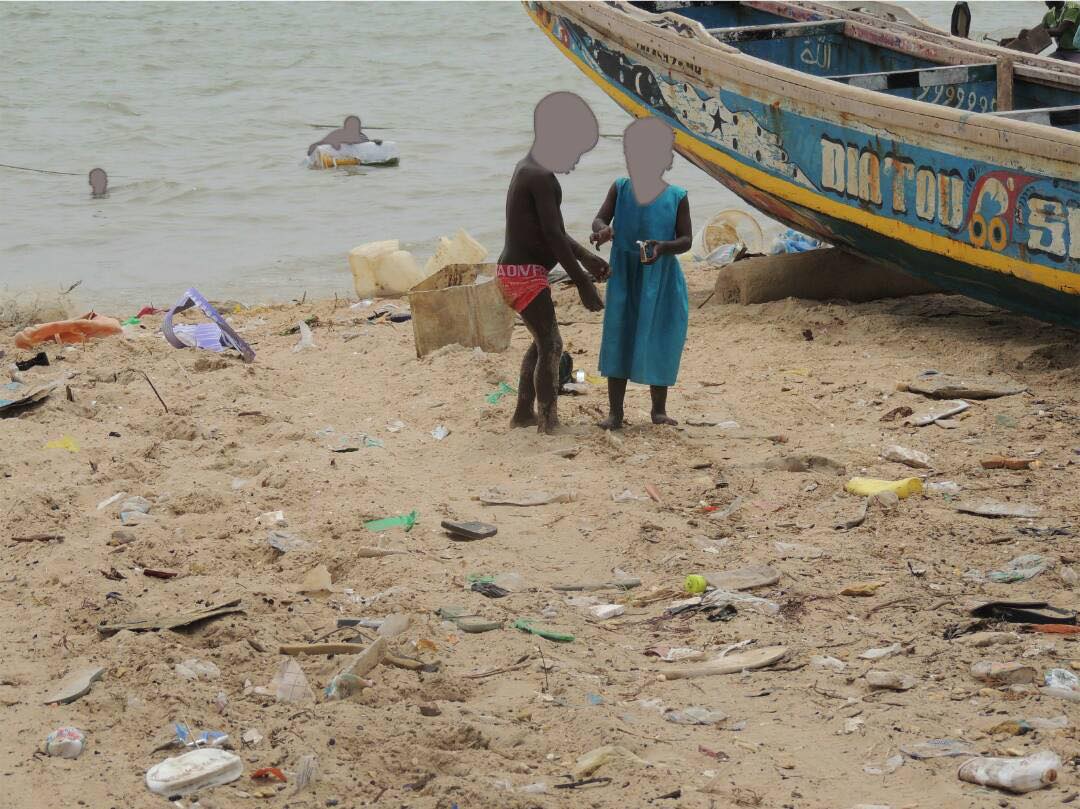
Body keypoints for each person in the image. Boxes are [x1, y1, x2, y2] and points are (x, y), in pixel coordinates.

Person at [498, 91, 609, 435]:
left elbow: (553, 233)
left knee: (540, 341)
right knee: (552, 345)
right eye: (575, 150)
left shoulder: (528, 169)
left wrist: (588, 258)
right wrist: (583, 283)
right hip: (524, 276)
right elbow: (554, 238)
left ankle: (522, 414)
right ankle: (548, 421)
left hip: (515, 273)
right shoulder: (540, 177)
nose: (575, 160)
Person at [590, 117, 691, 430]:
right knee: (618, 337)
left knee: (660, 338)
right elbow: (599, 219)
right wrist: (603, 231)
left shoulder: (677, 196)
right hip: (625, 277)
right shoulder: (620, 188)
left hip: (659, 279)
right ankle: (615, 413)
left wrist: (662, 247)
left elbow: (686, 240)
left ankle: (658, 410)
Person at [307, 115, 372, 155]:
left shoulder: (362, 136)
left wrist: (375, 142)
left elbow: (369, 145)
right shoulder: (337, 135)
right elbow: (321, 142)